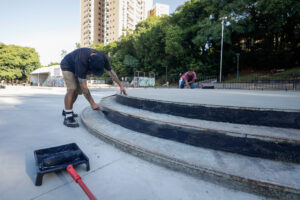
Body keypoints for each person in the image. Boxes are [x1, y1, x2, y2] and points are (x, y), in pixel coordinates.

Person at [60, 47, 127, 128]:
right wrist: (92, 103)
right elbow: (84, 87)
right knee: (72, 89)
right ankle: (68, 116)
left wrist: (121, 85)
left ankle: (66, 110)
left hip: (76, 65)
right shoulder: (82, 60)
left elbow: (111, 72)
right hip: (68, 65)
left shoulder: (102, 57)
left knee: (77, 92)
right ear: (89, 63)